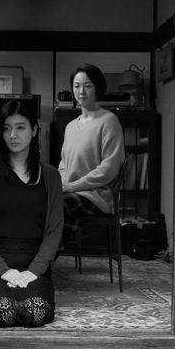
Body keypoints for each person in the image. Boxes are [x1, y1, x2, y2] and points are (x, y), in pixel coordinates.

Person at [0, 100, 63, 328]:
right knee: (4, 313)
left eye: (20, 127)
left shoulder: (51, 176)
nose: (13, 135)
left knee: (36, 312)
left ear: (34, 131)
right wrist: (3, 270)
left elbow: (54, 230)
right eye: (6, 128)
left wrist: (33, 271)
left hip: (35, 261)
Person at [58, 63, 125, 236]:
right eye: (76, 86)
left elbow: (109, 169)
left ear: (98, 88)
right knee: (39, 203)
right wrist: (61, 184)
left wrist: (72, 186)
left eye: (88, 86)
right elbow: (63, 164)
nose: (81, 91)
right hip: (70, 193)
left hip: (96, 197)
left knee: (55, 207)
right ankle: (45, 252)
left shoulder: (108, 121)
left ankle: (45, 252)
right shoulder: (71, 126)